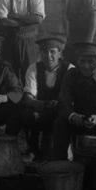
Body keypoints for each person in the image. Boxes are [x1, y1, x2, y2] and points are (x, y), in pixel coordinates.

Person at [21, 35, 74, 163]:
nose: (48, 56)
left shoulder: (70, 70)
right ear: (40, 52)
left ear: (60, 53)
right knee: (26, 114)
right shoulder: (33, 68)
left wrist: (56, 106)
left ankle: (58, 154)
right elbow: (29, 98)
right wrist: (41, 105)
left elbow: (70, 100)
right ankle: (33, 150)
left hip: (60, 111)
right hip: (40, 108)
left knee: (59, 119)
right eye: (44, 51)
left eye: (52, 52)